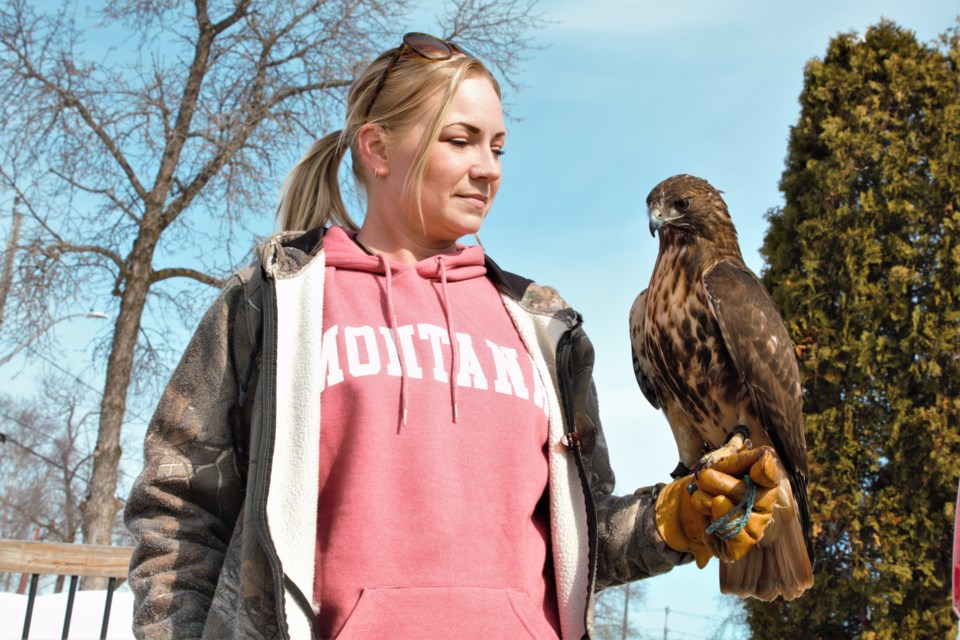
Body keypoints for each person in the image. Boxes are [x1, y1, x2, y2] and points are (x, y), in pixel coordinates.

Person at [124, 32, 777, 639]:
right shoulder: (276, 303)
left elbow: (583, 539)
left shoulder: (545, 329)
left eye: (497, 148)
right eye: (460, 140)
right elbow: (178, 518)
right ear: (377, 149)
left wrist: (676, 517)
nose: (488, 168)